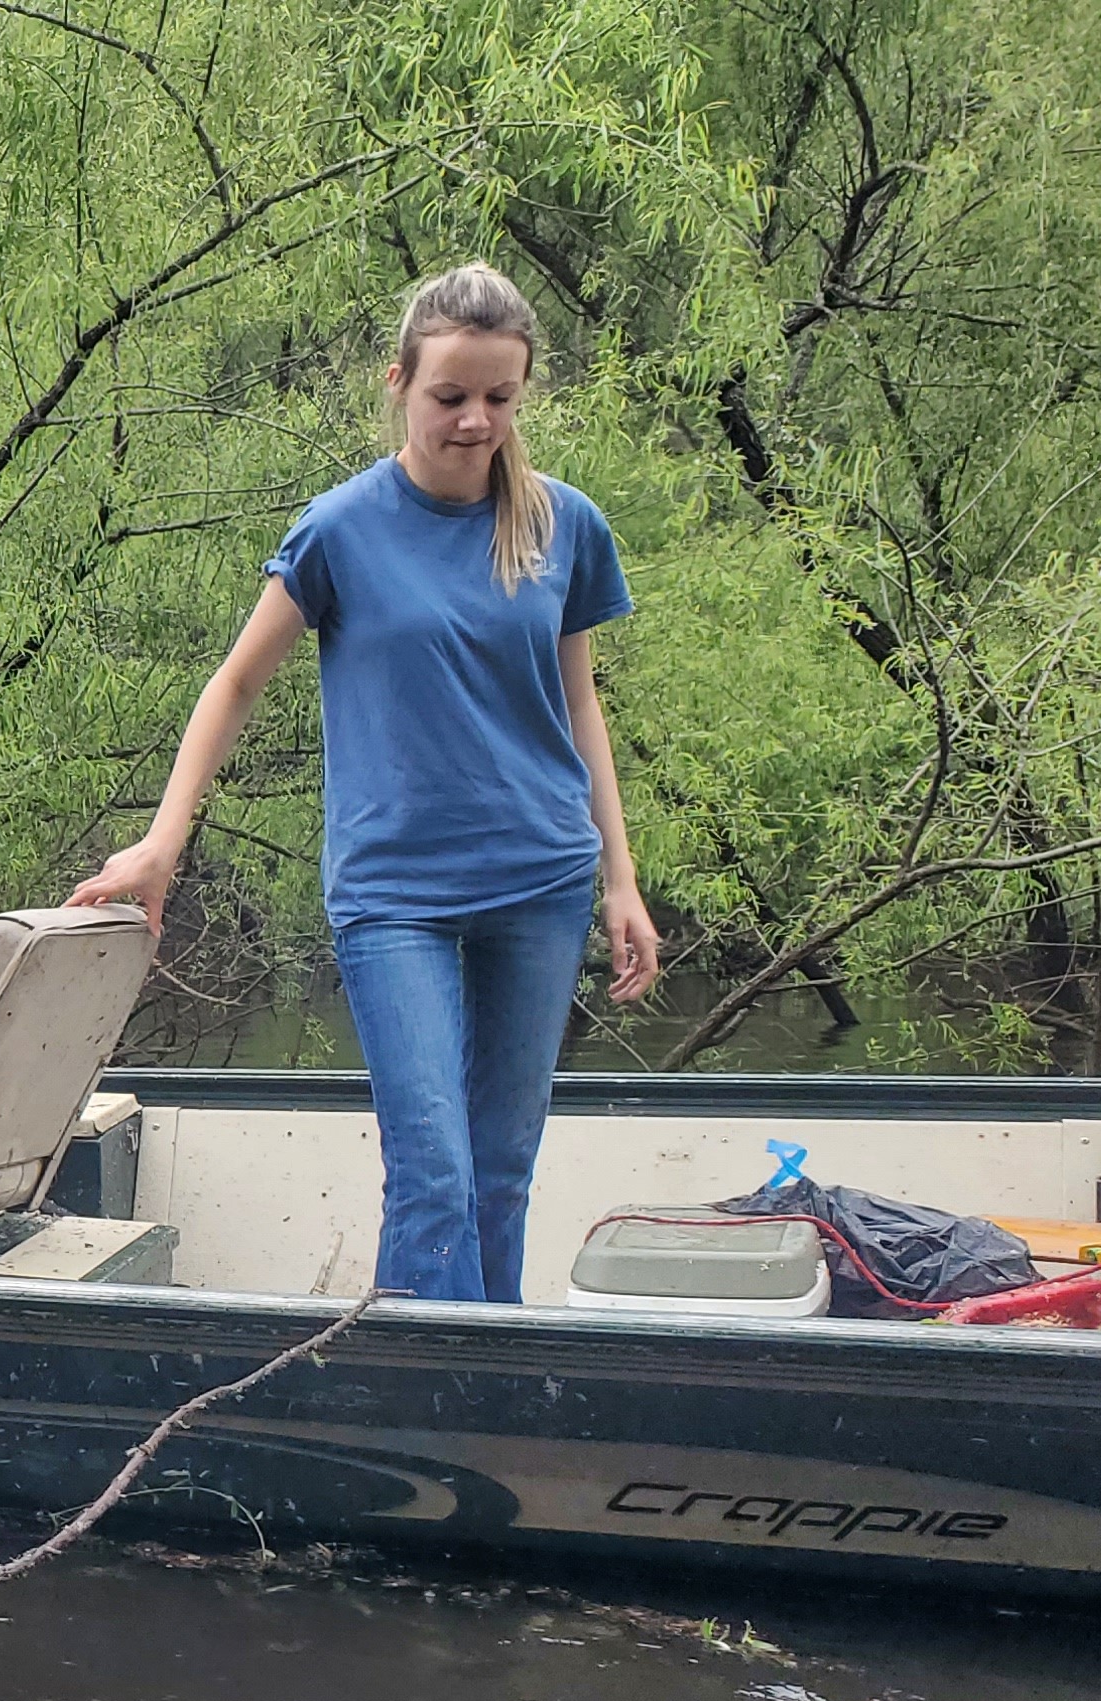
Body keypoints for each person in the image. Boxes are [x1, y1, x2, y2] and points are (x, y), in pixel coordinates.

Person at [67, 263, 661, 1303]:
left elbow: (582, 706)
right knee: (434, 1173)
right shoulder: (342, 527)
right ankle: (419, 1408)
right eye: (450, 397)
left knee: (500, 1172)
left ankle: (487, 1400)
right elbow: (235, 683)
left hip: (541, 879)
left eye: (498, 398)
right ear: (399, 383)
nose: (474, 420)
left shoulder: (566, 525)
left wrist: (622, 879)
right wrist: (163, 843)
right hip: (396, 895)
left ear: (522, 395)